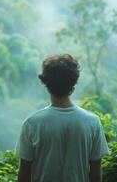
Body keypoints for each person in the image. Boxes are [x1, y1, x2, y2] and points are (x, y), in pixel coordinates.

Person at [16, 54, 109, 182]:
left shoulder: (32, 123)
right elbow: (96, 175)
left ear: (45, 83)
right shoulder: (92, 122)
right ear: (73, 82)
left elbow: (24, 175)